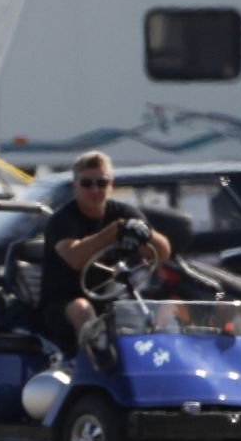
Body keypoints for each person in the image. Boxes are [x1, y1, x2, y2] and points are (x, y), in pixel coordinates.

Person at [41, 151, 170, 358]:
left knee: (151, 310)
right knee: (81, 309)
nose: (95, 190)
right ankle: (93, 364)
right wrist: (113, 232)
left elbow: (162, 253)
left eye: (101, 183)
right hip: (62, 305)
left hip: (111, 299)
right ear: (75, 186)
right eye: (87, 183)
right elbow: (75, 258)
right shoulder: (62, 220)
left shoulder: (124, 213)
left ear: (111, 184)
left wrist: (146, 234)